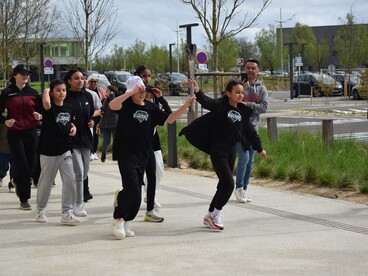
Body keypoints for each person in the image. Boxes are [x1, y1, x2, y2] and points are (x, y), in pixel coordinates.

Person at [109, 76, 195, 239]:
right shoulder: (125, 105)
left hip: (143, 154)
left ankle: (127, 220)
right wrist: (130, 92)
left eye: (143, 90)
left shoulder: (151, 108)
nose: (142, 93)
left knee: (137, 193)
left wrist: (185, 105)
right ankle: (118, 218)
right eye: (138, 90)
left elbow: (169, 119)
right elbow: (113, 105)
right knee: (133, 187)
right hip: (126, 153)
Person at [179, 79, 267, 231]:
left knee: (222, 185)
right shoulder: (221, 106)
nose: (241, 95)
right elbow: (207, 102)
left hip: (231, 151)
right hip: (218, 150)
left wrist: (259, 148)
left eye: (242, 92)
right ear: (228, 93)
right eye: (237, 92)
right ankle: (216, 214)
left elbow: (250, 131)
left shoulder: (242, 111)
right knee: (228, 184)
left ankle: (210, 215)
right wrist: (198, 92)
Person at [36, 79, 80, 225]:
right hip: (48, 151)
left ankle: (67, 212)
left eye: (64, 90)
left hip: (65, 150)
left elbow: (68, 122)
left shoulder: (68, 107)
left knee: (70, 180)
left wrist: (73, 128)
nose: (61, 93)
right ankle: (41, 209)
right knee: (46, 182)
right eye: (58, 90)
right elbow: (47, 104)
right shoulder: (49, 108)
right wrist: (46, 91)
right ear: (52, 92)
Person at [0, 64, 42, 210]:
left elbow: (42, 112)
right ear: (14, 75)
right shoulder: (7, 92)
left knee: (31, 165)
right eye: (22, 73)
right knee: (22, 165)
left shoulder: (34, 93)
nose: (25, 76)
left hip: (31, 132)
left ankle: (17, 180)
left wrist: (40, 116)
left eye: (27, 74)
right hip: (15, 133)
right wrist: (5, 121)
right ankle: (24, 199)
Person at [135, 65, 172, 212]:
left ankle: (151, 196)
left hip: (152, 140)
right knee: (136, 176)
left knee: (158, 170)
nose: (147, 78)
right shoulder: (130, 94)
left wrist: (161, 98)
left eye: (149, 75)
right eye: (144, 75)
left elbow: (166, 115)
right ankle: (123, 195)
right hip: (136, 142)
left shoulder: (153, 93)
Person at [234, 58, 268, 203]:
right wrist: (242, 87)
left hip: (253, 128)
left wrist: (248, 104)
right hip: (238, 127)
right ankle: (239, 187)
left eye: (253, 68)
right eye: (248, 68)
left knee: (250, 161)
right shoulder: (239, 86)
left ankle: (244, 190)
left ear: (258, 71)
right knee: (244, 158)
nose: (250, 70)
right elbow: (232, 101)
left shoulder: (261, 88)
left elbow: (264, 107)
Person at [64, 68, 95, 217]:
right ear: (69, 81)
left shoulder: (88, 96)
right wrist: (69, 125)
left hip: (86, 139)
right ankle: (78, 204)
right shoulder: (66, 97)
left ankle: (74, 200)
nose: (80, 81)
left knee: (84, 173)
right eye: (76, 78)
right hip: (72, 140)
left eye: (82, 78)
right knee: (79, 172)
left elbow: (93, 114)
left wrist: (93, 121)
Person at [87, 77, 105, 161]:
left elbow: (101, 104)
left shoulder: (99, 91)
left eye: (95, 81)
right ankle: (90, 151)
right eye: (91, 81)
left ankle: (94, 151)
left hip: (97, 116)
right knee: (90, 134)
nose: (93, 83)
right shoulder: (87, 93)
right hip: (89, 116)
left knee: (95, 134)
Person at [99, 85, 119, 162]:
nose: (105, 92)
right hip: (105, 124)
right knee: (106, 141)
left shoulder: (114, 99)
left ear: (111, 91)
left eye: (107, 90)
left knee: (115, 140)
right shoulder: (104, 100)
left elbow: (113, 105)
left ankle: (115, 156)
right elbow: (102, 109)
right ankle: (103, 155)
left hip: (114, 123)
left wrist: (112, 95)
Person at [0, 123, 15, 192]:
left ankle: (12, 184)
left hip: (15, 149)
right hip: (3, 149)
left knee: (15, 168)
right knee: (3, 167)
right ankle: (0, 176)